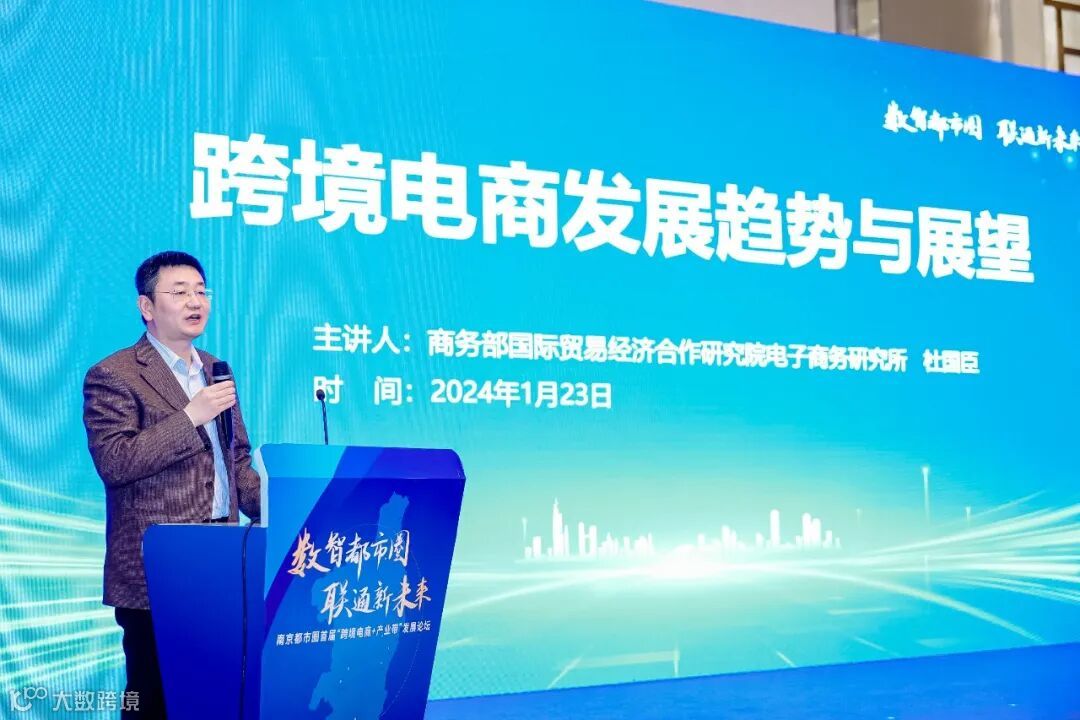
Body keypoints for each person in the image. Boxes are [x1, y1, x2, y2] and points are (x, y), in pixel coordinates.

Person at [82, 251, 261, 719]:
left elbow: (236, 461)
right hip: (157, 570)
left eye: (201, 291)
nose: (195, 301)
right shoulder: (115, 374)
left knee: (216, 697)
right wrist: (190, 417)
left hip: (223, 563)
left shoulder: (216, 369)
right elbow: (116, 462)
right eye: (179, 292)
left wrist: (282, 505)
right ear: (147, 306)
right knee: (154, 699)